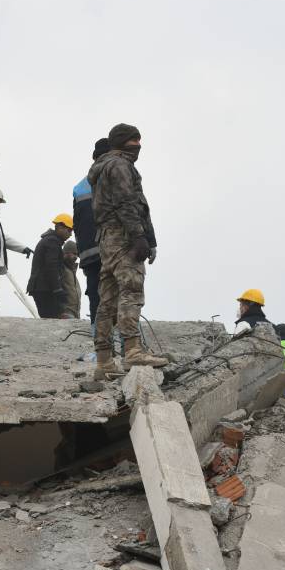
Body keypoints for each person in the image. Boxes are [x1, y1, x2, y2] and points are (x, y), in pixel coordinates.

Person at [88, 123, 166, 378]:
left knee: (107, 299)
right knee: (131, 289)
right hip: (123, 237)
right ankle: (132, 350)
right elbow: (127, 202)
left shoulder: (101, 168)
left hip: (106, 240)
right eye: (135, 141)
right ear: (124, 143)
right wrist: (138, 236)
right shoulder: (120, 166)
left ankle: (104, 360)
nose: (139, 146)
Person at [73, 138, 110, 325]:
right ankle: (124, 345)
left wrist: (82, 251)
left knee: (95, 296)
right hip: (112, 249)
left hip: (89, 252)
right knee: (119, 294)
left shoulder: (79, 186)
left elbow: (77, 224)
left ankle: (100, 344)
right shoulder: (117, 176)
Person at [27, 214, 73, 318]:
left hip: (42, 288)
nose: (70, 234)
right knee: (52, 320)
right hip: (44, 289)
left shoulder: (50, 240)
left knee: (51, 319)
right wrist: (57, 289)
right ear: (60, 227)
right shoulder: (52, 241)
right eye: (69, 230)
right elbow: (51, 267)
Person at [61, 240, 82, 319]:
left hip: (75, 315)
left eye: (76, 254)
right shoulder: (61, 269)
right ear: (65, 253)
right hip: (65, 313)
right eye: (73, 253)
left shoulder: (72, 273)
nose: (76, 257)